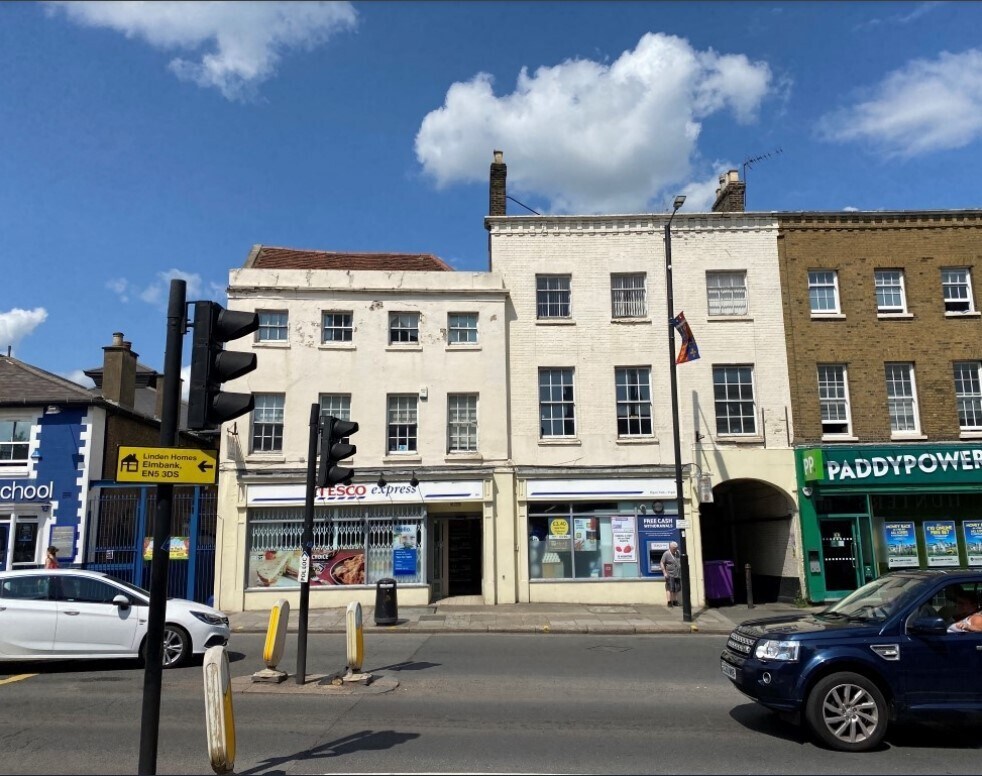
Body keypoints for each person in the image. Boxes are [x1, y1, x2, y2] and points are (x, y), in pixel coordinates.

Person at [660, 541, 681, 608]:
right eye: (674, 549)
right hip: (669, 574)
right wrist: (664, 572)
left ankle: (675, 601)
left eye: (676, 548)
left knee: (676, 588)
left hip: (677, 574)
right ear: (670, 548)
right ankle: (669, 602)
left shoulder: (678, 552)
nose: (675, 550)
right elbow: (662, 563)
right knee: (669, 588)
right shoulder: (666, 554)